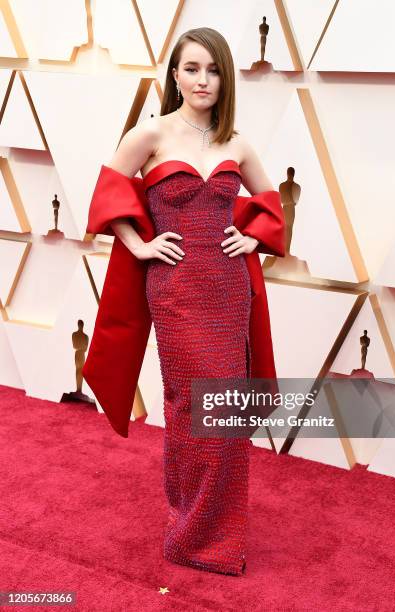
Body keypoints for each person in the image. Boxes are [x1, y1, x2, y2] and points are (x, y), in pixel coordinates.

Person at [82, 27, 285, 577]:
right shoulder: (148, 134)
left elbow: (272, 204)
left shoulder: (236, 142)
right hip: (174, 291)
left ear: (225, 79)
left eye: (214, 70)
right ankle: (189, 529)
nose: (203, 80)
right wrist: (140, 245)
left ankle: (222, 537)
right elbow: (108, 195)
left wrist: (255, 238)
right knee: (187, 408)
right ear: (174, 75)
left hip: (226, 290)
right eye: (192, 68)